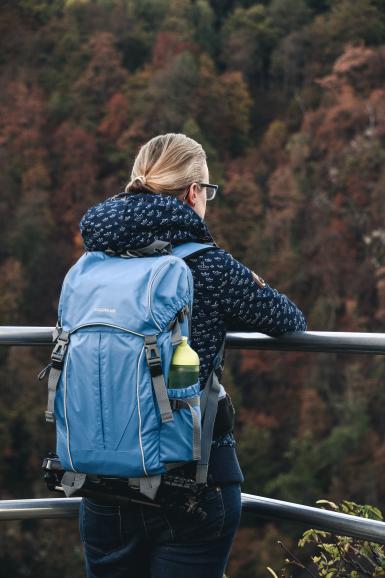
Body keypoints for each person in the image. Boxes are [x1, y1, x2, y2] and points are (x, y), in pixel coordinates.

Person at [78, 133, 307, 578]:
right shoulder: (208, 263)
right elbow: (288, 318)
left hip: (100, 478)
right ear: (194, 193)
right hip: (191, 480)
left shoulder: (94, 262)